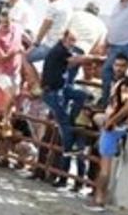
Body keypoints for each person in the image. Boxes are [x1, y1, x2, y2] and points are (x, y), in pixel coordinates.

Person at [39, 30, 101, 191]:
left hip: (61, 93)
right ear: (64, 38)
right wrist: (96, 58)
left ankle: (73, 177)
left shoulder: (61, 53)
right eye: (71, 40)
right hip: (55, 93)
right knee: (65, 127)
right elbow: (74, 60)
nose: (72, 43)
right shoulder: (61, 52)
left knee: (80, 99)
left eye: (74, 40)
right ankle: (68, 155)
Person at [87, 53, 128, 212]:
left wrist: (111, 121)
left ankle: (99, 199)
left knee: (105, 166)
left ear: (127, 67)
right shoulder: (119, 83)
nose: (118, 68)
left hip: (113, 127)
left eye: (122, 65)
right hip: (115, 125)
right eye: (116, 65)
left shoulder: (124, 85)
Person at [0, 10, 24, 116]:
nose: (6, 24)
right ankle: (5, 119)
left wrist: (31, 46)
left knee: (15, 95)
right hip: (2, 71)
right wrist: (16, 51)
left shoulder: (17, 28)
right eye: (3, 22)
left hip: (15, 70)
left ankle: (5, 119)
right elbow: (0, 59)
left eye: (7, 22)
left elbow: (25, 38)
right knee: (10, 95)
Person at [28, 0, 72, 64]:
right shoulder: (67, 6)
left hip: (50, 45)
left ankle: (32, 77)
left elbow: (45, 26)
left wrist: (35, 44)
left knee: (25, 58)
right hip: (60, 45)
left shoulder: (54, 6)